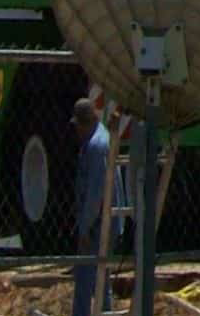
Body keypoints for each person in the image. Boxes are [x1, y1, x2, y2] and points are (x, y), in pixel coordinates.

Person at [73, 95, 112, 316]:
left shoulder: (96, 147)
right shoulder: (104, 138)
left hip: (97, 224)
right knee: (101, 279)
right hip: (107, 222)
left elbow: (95, 193)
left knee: (85, 280)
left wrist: (85, 227)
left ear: (82, 123)